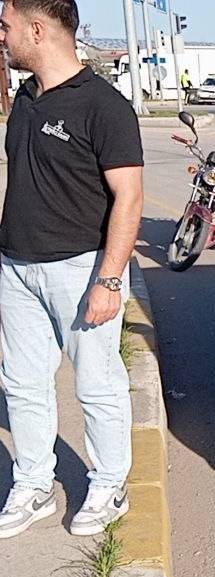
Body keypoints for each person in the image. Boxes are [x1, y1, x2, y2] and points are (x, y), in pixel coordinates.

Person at [0, 0, 144, 539]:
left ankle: (110, 485)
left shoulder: (104, 107)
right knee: (22, 384)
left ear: (37, 30)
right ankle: (35, 483)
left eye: (6, 26)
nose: (2, 36)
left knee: (97, 384)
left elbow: (128, 198)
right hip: (16, 267)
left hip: (81, 269)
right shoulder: (26, 96)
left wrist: (109, 279)